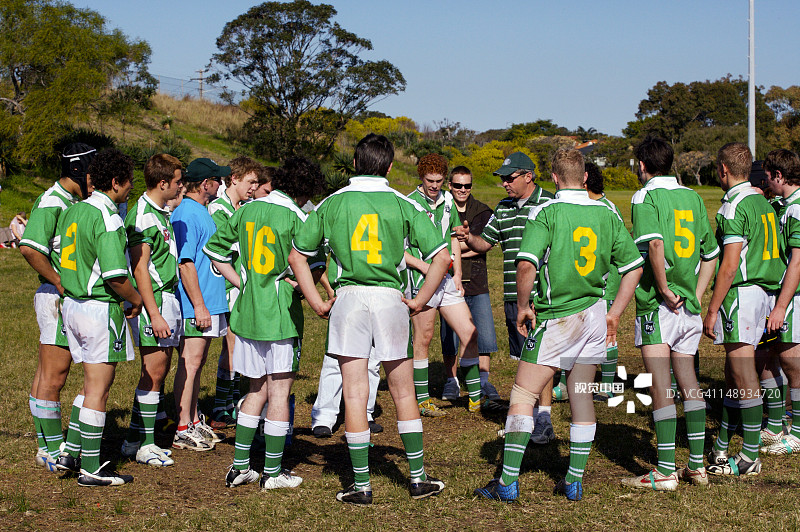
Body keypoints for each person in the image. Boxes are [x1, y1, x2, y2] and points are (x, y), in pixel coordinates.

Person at [289, 133, 450, 505]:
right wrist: (420, 301)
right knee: (404, 392)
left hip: (348, 300)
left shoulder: (331, 202)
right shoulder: (402, 202)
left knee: (356, 393)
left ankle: (361, 485)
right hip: (390, 298)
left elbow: (298, 256)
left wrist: (316, 302)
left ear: (356, 164)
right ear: (390, 167)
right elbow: (442, 258)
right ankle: (418, 478)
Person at [474, 148, 643, 502]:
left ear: (552, 177)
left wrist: (522, 307)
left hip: (556, 317)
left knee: (522, 395)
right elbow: (633, 268)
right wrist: (615, 313)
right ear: (584, 178)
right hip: (595, 314)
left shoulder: (545, 211)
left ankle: (506, 483)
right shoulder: (607, 212)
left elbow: (526, 265)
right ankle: (575, 480)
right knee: (581, 395)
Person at [206, 157, 327, 490]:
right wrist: (302, 290)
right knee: (279, 391)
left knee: (255, 389)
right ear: (304, 192)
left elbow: (214, 249)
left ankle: (240, 466)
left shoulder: (245, 209)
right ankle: (272, 473)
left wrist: (240, 283)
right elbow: (312, 262)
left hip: (247, 312)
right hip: (279, 315)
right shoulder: (298, 216)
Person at [621, 136, 719, 490]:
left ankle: (663, 471)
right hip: (689, 306)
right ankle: (696, 466)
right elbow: (711, 254)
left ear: (643, 165)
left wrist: (662, 288)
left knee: (661, 385)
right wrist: (696, 291)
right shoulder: (692, 196)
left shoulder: (645, 195)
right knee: (689, 382)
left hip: (658, 304)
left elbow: (655, 243)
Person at [456, 151, 557, 443]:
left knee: (542, 359)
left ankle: (543, 419)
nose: (505, 184)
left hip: (542, 296)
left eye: (509, 178)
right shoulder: (503, 207)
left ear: (528, 176)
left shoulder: (551, 203)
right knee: (526, 359)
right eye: (502, 179)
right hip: (514, 296)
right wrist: (467, 237)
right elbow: (485, 242)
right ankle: (531, 419)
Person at [57, 148, 142, 486]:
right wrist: (136, 300)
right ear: (116, 183)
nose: (130, 189)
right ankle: (92, 467)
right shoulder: (108, 217)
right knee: (99, 388)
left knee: (89, 383)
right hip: (97, 307)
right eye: (129, 183)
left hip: (73, 305)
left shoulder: (74, 212)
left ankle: (71, 450)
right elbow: (116, 276)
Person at [703, 143, 784, 477]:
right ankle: (723, 440)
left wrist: (712, 308)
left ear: (723, 169)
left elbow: (730, 265)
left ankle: (750, 455)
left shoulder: (733, 205)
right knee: (735, 371)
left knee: (743, 371)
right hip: (766, 292)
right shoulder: (760, 200)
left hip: (744, 296)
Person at [19, 143, 95, 472]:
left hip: (56, 293)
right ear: (78, 170)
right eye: (94, 170)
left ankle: (44, 445)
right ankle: (52, 449)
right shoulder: (53, 202)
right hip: (56, 295)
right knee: (55, 375)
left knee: (46, 375)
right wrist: (60, 281)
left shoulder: (70, 201)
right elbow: (30, 248)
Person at [120, 153, 184, 467]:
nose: (180, 185)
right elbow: (140, 268)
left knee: (160, 371)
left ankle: (133, 440)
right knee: (153, 373)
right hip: (154, 301)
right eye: (177, 181)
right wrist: (154, 311)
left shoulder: (161, 211)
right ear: (163, 183)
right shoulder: (143, 214)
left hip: (167, 298)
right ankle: (146, 445)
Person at [405, 154, 480, 415]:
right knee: (423, 339)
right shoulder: (408, 204)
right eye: (430, 180)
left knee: (470, 332)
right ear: (421, 178)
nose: (434, 186)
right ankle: (423, 400)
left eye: (439, 181)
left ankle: (476, 396)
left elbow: (454, 239)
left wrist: (457, 274)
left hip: (446, 281)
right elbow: (399, 251)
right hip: (421, 280)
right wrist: (426, 267)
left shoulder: (448, 201)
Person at [171, 158, 229, 451]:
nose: (222, 184)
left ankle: (192, 419)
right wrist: (199, 306)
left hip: (210, 300)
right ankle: (181, 426)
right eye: (218, 180)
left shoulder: (201, 211)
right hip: (198, 302)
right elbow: (186, 262)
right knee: (190, 363)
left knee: (199, 362)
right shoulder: (187, 213)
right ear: (206, 184)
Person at [208, 156, 261, 428]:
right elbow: (223, 249)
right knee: (230, 346)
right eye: (250, 181)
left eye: (256, 183)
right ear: (234, 179)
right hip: (227, 285)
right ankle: (221, 405)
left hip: (241, 285)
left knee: (237, 345)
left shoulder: (243, 207)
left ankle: (228, 401)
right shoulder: (219, 209)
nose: (254, 187)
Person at [440, 166, 501, 402]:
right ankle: (451, 381)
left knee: (484, 334)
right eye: (457, 185)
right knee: (449, 336)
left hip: (476, 281)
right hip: (447, 282)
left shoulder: (482, 211)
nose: (462, 190)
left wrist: (452, 250)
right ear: (450, 186)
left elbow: (481, 243)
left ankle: (484, 382)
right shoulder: (442, 209)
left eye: (467, 185)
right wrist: (461, 248)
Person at [760, 148, 800, 455]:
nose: (764, 181)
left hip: (793, 296)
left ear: (779, 175)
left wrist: (780, 306)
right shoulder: (784, 205)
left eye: (768, 175)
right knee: (774, 354)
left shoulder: (797, 209)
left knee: (791, 361)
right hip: (784, 294)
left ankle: (796, 432)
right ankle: (777, 424)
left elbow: (797, 262)